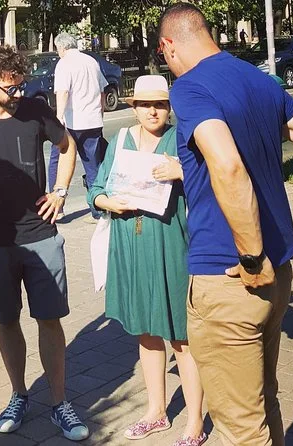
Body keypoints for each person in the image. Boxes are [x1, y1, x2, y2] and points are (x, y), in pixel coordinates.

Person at [159, 4, 293, 446]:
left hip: (232, 276)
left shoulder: (190, 87)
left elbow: (228, 166)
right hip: (277, 276)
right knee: (263, 403)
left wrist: (252, 256)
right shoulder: (259, 80)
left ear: (168, 46)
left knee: (240, 428)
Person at [0, 45, 90, 442]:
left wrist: (60, 191)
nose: (18, 94)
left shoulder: (36, 112)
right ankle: (19, 394)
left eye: (22, 85)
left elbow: (67, 146)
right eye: (11, 88)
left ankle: (60, 403)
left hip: (41, 236)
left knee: (49, 319)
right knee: (7, 320)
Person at [88, 75, 207, 445]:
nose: (152, 111)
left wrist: (183, 170)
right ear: (134, 108)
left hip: (171, 245)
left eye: (159, 104)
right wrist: (107, 202)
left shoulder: (182, 139)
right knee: (147, 332)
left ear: (169, 108)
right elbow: (96, 189)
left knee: (181, 337)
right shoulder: (121, 140)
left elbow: (213, 181)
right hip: (130, 246)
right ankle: (157, 412)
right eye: (145, 105)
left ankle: (195, 423)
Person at [49, 32, 109, 222]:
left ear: (61, 47)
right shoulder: (92, 61)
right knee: (93, 166)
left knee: (57, 162)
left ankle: (57, 208)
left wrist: (58, 118)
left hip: (72, 122)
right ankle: (98, 210)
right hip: (93, 121)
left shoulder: (64, 63)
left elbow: (63, 92)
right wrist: (100, 113)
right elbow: (102, 92)